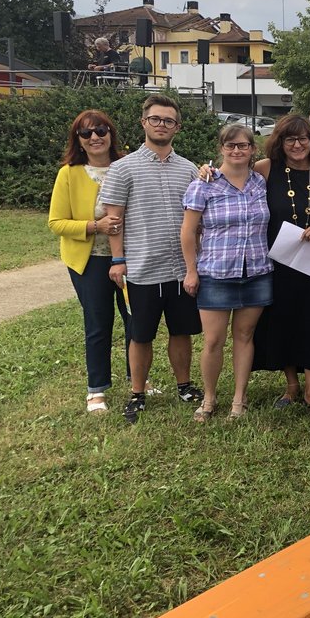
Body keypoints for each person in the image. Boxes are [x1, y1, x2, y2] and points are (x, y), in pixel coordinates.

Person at [99, 94, 204, 424]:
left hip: (181, 269)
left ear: (177, 127)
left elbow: (199, 218)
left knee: (182, 331)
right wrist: (118, 259)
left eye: (169, 121)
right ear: (144, 122)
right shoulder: (122, 168)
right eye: (156, 119)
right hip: (142, 268)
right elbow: (113, 220)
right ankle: (137, 393)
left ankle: (184, 385)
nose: (162, 125)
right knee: (140, 334)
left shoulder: (189, 169)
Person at [181, 125, 273, 421]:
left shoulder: (260, 181)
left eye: (243, 145)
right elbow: (188, 231)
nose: (237, 150)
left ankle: (239, 398)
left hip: (256, 271)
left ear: (252, 149)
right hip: (216, 273)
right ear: (221, 148)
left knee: (245, 336)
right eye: (230, 145)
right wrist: (191, 271)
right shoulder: (204, 184)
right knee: (213, 341)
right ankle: (209, 398)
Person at [250, 115, 310, 412]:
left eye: (303, 138)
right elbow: (233, 178)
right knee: (282, 321)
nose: (297, 144)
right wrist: (207, 171)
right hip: (277, 263)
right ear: (280, 142)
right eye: (290, 139)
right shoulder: (265, 169)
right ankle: (291, 386)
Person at [47, 110, 131, 413]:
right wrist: (95, 226)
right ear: (78, 140)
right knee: (98, 324)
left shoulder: (126, 166)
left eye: (100, 130)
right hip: (90, 262)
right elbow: (56, 222)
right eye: (86, 133)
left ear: (111, 133)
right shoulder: (68, 174)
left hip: (131, 258)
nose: (95, 137)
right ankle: (97, 389)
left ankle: (139, 379)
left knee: (136, 320)